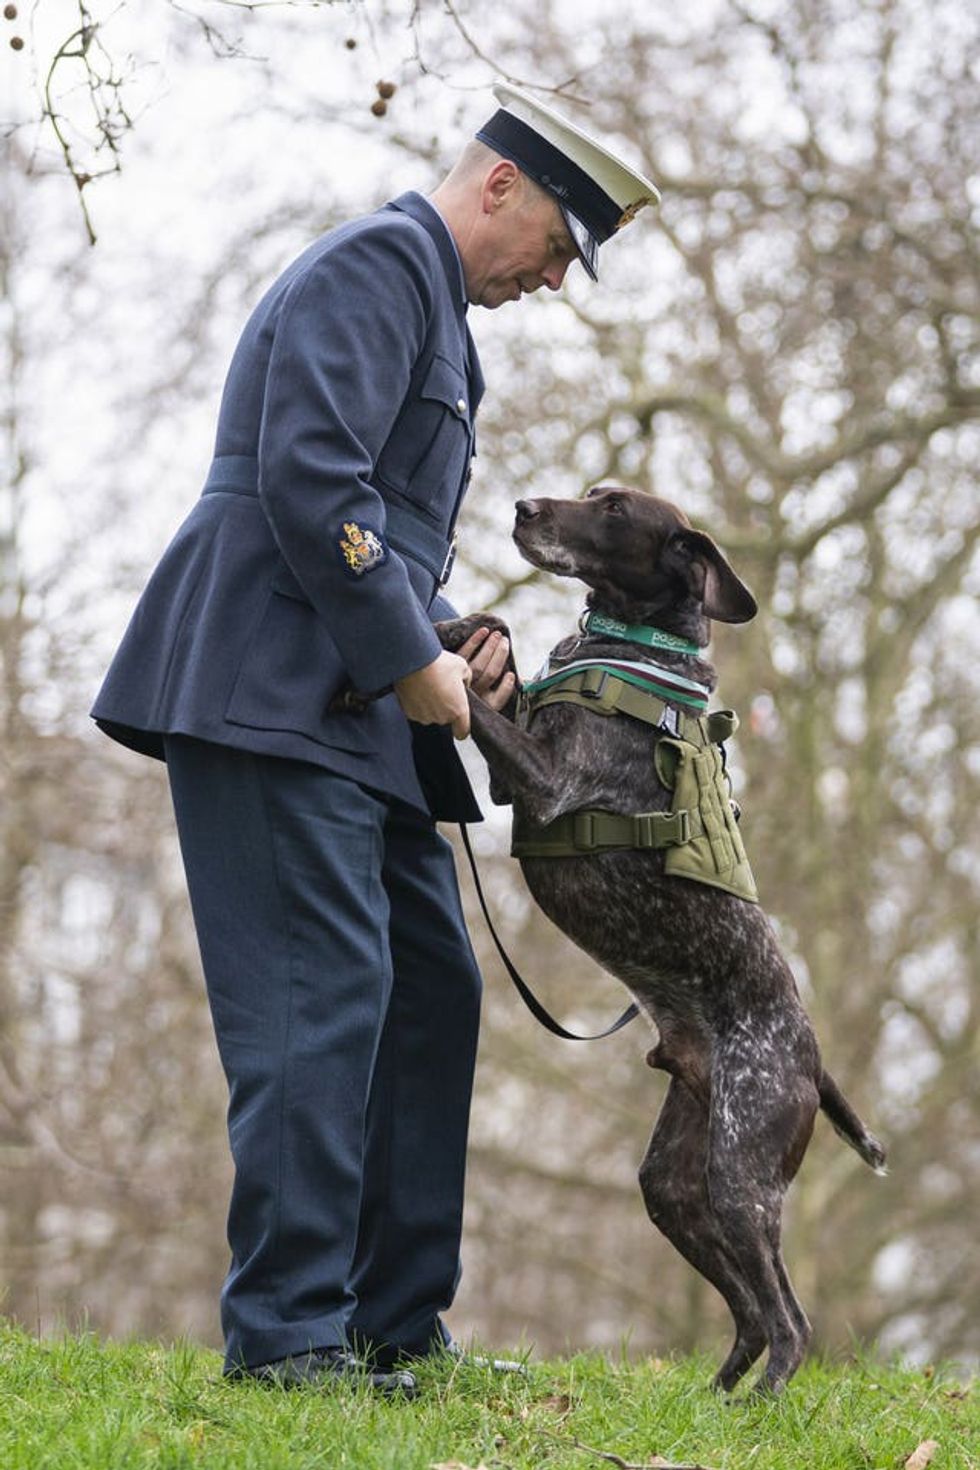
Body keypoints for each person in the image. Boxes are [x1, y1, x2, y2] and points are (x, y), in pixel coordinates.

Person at [92, 83, 659, 1394]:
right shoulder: (379, 263)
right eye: (558, 247)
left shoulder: (441, 317)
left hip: (349, 702)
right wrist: (409, 655)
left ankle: (394, 1325)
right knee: (322, 998)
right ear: (501, 185)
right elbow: (310, 478)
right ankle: (288, 1334)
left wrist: (450, 636)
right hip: (269, 687)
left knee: (430, 990)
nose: (554, 280)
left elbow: (379, 537)